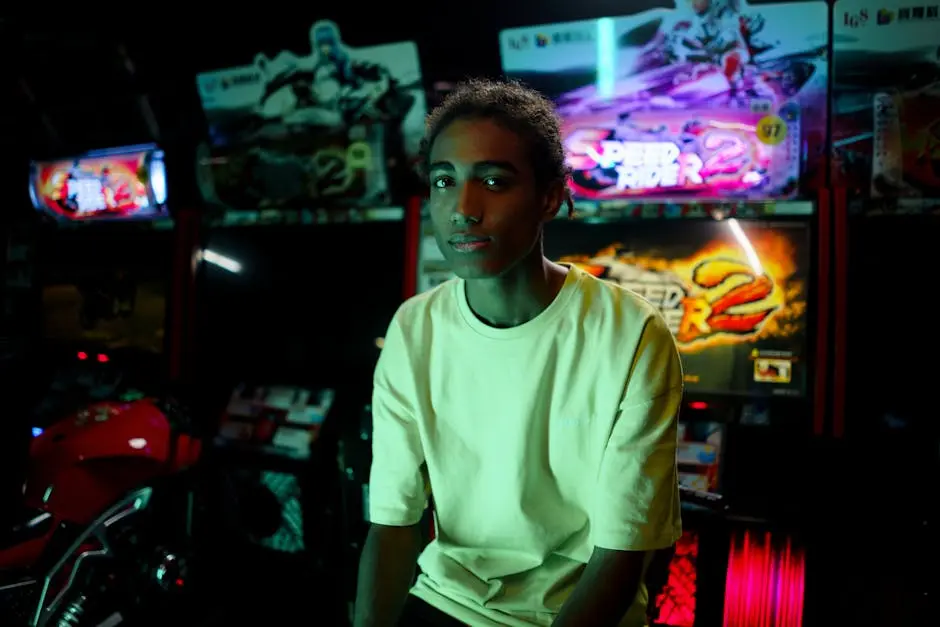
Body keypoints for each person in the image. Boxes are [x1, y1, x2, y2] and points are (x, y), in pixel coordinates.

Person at [354, 79, 682, 627]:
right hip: (446, 599)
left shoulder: (632, 333)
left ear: (549, 196)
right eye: (444, 180)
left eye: (492, 181)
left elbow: (623, 556)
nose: (462, 209)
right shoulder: (414, 328)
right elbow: (392, 525)